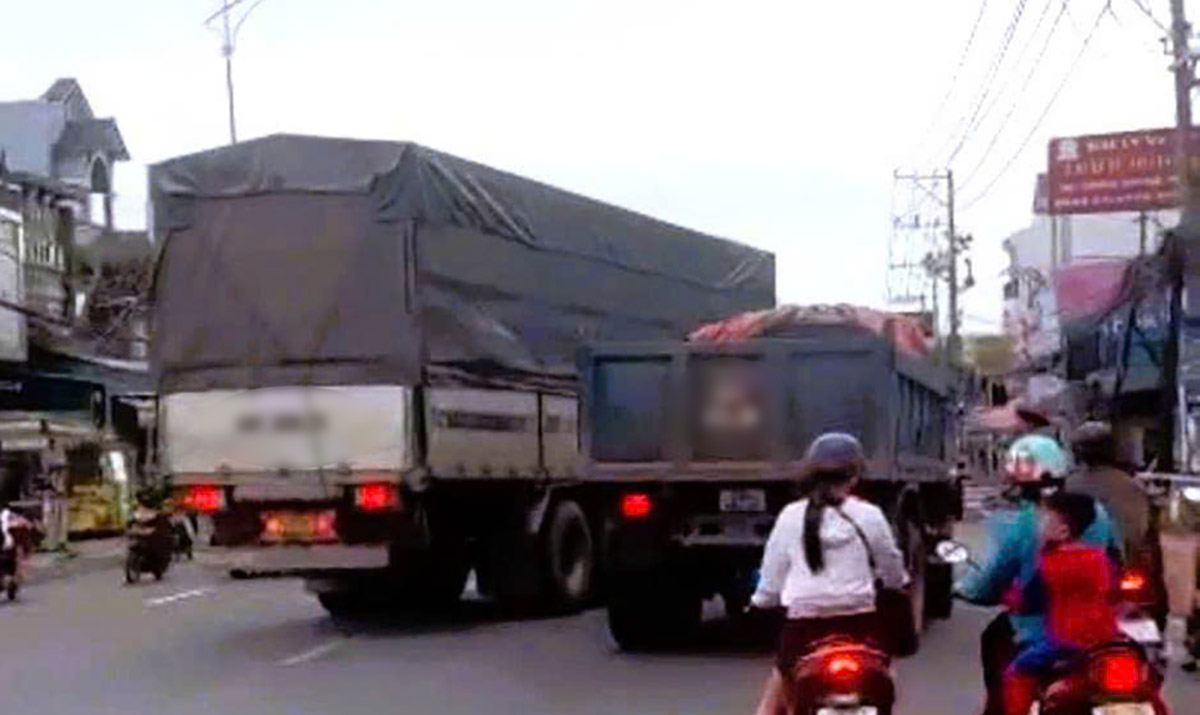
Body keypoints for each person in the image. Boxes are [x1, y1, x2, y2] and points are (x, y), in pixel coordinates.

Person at [957, 434, 1121, 715]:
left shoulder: (1023, 525)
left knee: (1001, 652)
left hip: (1042, 631)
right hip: (1104, 631)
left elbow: (995, 580)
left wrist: (968, 590)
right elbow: (1117, 560)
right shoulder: (1097, 513)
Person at [750, 432, 909, 715]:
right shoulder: (869, 514)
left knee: (773, 701)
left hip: (803, 627)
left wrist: (761, 601)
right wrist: (897, 584)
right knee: (886, 681)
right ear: (855, 477)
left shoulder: (790, 516)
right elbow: (892, 567)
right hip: (861, 623)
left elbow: (771, 582)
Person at [1002, 491, 1120, 715]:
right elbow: (1112, 591)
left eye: (1046, 519)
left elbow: (1028, 601)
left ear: (1063, 531)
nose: (1040, 525)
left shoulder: (1050, 564)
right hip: (1105, 639)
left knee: (1016, 673)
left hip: (1066, 641)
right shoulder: (1100, 558)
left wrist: (1010, 598)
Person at [1066, 421, 1151, 567]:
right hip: (1117, 561)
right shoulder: (1129, 484)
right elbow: (1138, 531)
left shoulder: (1070, 484)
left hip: (1086, 562)